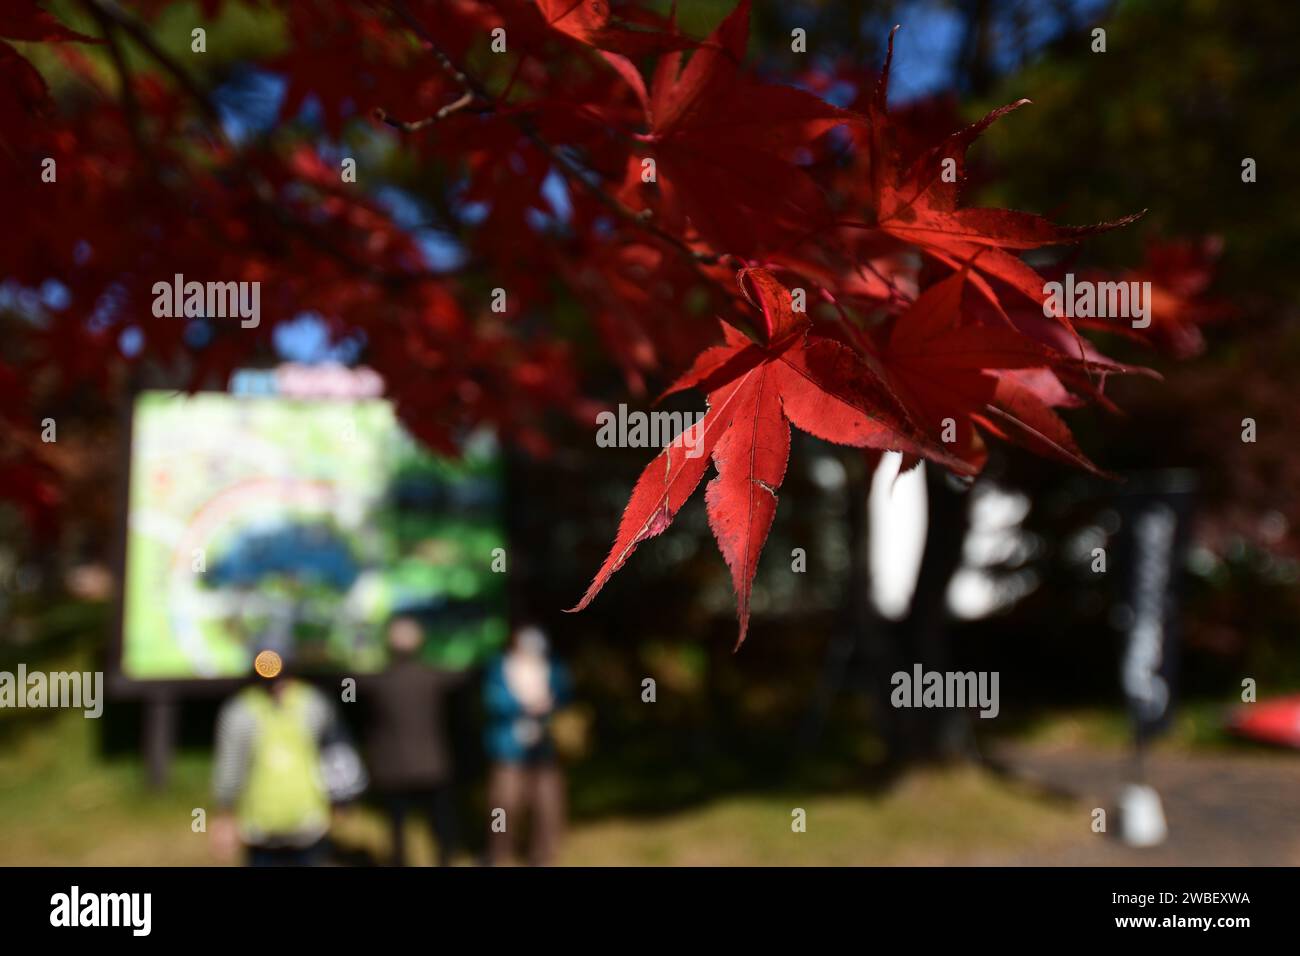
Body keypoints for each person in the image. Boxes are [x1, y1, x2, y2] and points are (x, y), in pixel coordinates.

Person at [211, 655, 342, 866]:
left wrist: (225, 814)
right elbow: (230, 767)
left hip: (296, 823)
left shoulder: (311, 704)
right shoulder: (312, 702)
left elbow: (333, 754)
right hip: (275, 825)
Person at [362, 614, 465, 866]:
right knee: (439, 825)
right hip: (431, 765)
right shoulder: (434, 676)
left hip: (394, 767)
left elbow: (346, 680)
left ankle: (405, 860)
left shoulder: (379, 680)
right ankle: (443, 859)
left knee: (399, 829)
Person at [483, 624, 572, 866]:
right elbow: (492, 700)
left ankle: (542, 854)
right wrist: (522, 706)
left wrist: (550, 703)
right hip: (509, 748)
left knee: (548, 803)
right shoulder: (500, 667)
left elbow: (564, 694)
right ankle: (499, 852)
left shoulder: (552, 667)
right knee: (504, 804)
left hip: (542, 746)